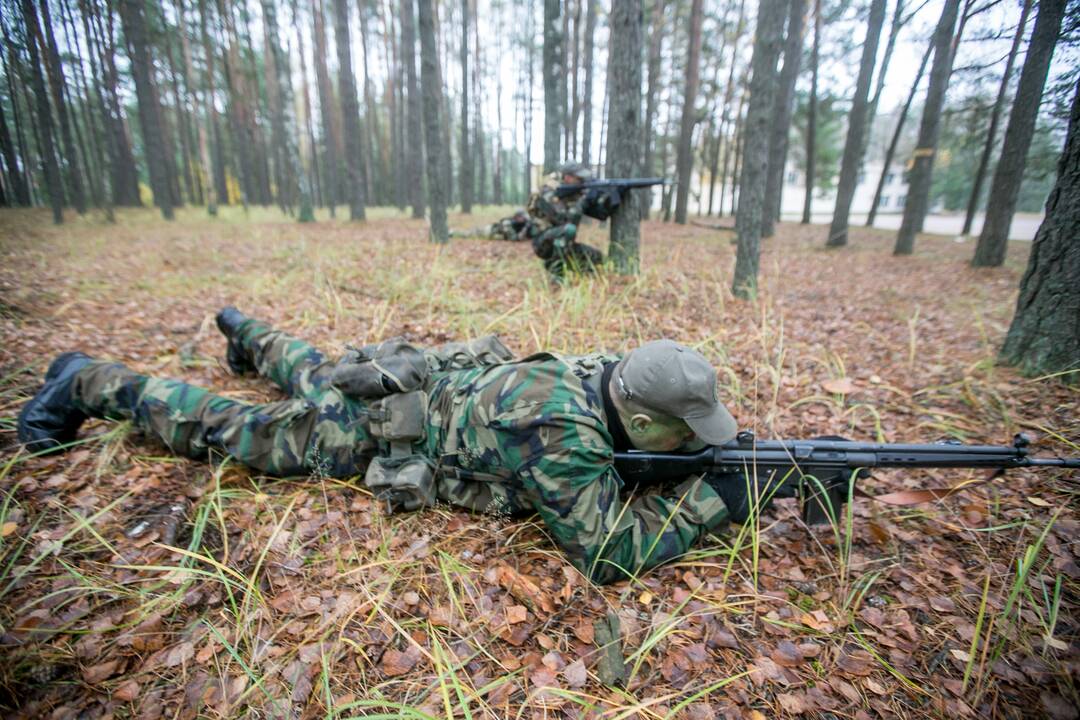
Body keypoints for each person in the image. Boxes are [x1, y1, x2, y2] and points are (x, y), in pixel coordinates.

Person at [17, 307, 774, 584]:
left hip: (401, 388)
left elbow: (633, 461)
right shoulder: (561, 434)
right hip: (365, 431)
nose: (691, 440)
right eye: (684, 429)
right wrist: (720, 495)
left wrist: (704, 454)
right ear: (640, 419)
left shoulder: (608, 373)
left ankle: (245, 332)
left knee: (311, 367)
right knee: (222, 429)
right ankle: (84, 382)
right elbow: (607, 554)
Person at [526, 162, 606, 282]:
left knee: (598, 258)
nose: (582, 181)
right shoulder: (549, 191)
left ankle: (576, 268)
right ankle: (556, 272)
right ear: (568, 178)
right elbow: (562, 219)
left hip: (565, 244)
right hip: (544, 243)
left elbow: (601, 215)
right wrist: (584, 201)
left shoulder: (575, 193)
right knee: (569, 229)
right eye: (579, 178)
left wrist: (604, 197)